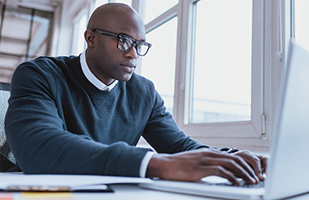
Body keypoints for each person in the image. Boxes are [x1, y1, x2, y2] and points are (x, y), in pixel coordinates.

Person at [5, 3, 266, 185]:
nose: (132, 53)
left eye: (140, 45)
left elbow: (179, 147)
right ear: (90, 38)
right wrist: (154, 164)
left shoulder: (144, 92)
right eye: (123, 40)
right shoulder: (39, 74)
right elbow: (38, 148)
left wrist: (229, 157)